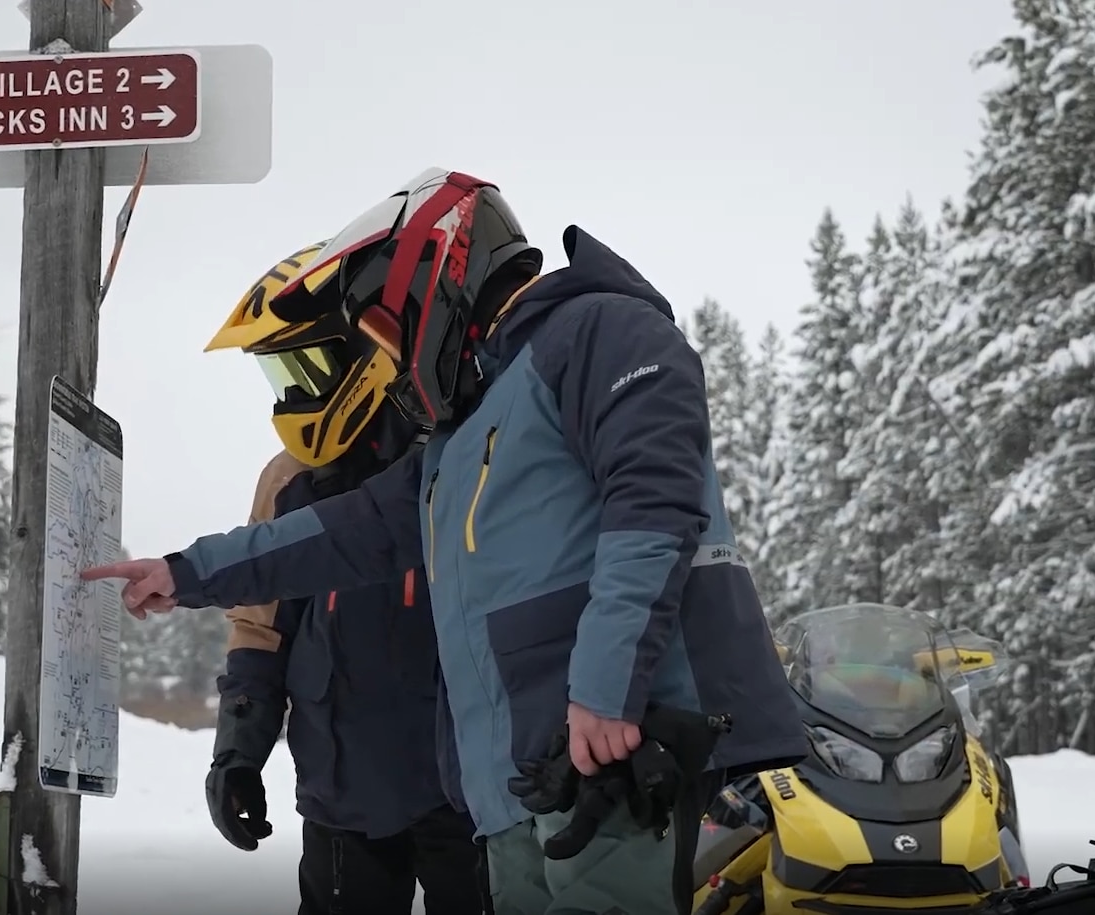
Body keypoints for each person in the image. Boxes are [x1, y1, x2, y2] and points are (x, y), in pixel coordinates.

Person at [85, 168, 808, 915]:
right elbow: (347, 530)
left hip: (614, 748)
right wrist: (186, 572)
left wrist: (604, 688)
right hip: (519, 781)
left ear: (431, 278)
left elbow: (654, 506)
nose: (392, 359)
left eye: (382, 330)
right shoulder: (460, 433)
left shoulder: (598, 329)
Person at [200, 241, 489, 915]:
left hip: (468, 796)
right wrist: (237, 753)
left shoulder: (459, 453)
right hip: (344, 796)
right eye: (281, 374)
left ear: (363, 354)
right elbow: (258, 626)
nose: (294, 393)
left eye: (306, 366)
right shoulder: (288, 480)